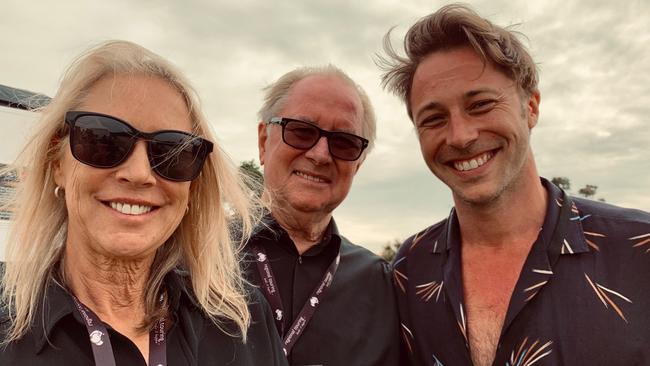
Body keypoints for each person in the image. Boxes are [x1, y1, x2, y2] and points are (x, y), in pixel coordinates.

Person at [379, 4, 650, 366]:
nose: (460, 136)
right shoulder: (408, 270)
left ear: (531, 107)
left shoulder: (638, 251)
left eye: (481, 104)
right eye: (434, 118)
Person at [0, 40, 288, 366]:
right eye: (103, 140)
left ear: (194, 186)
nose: (139, 174)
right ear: (57, 163)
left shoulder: (244, 325)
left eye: (172, 152)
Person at [245, 66, 401, 365]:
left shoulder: (381, 285)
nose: (320, 154)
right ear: (264, 142)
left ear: (358, 164)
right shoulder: (193, 261)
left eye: (344, 142)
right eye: (301, 132)